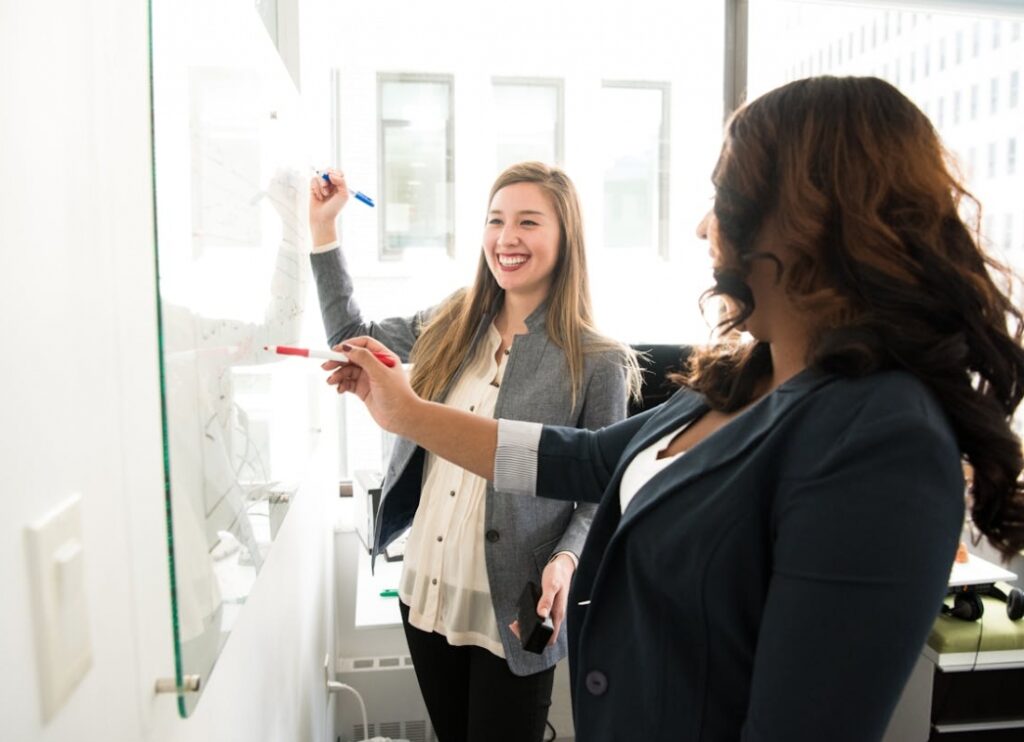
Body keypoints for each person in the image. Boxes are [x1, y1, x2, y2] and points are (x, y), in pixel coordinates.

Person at [322, 76, 1024, 741]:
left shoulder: (881, 438)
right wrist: (406, 414)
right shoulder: (741, 378)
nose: (700, 227)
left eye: (723, 197)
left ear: (805, 218)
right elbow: (585, 459)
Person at [308, 161, 639, 742]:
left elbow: (600, 492)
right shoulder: (451, 321)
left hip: (513, 606)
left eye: (528, 222)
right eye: (496, 220)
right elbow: (350, 338)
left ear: (566, 239)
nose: (506, 238)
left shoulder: (598, 361)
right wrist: (323, 230)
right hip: (426, 590)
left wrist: (566, 561)